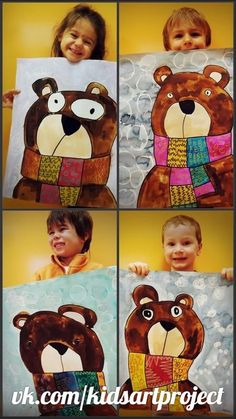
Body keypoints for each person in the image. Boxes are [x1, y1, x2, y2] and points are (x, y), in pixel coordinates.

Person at [2, 3, 106, 108]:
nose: (79, 43)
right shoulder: (42, 73)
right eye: (74, 35)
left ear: (94, 49)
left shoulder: (99, 81)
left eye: (87, 42)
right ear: (60, 35)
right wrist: (17, 106)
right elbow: (42, 109)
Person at [128, 215, 233, 281]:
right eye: (171, 244)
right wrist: (137, 271)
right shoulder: (155, 281)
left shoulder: (211, 283)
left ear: (199, 248)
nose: (178, 250)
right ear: (164, 248)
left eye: (186, 243)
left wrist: (230, 278)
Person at [34, 209, 102, 280]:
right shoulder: (41, 275)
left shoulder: (98, 271)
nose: (55, 236)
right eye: (51, 232)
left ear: (84, 235)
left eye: (62, 229)